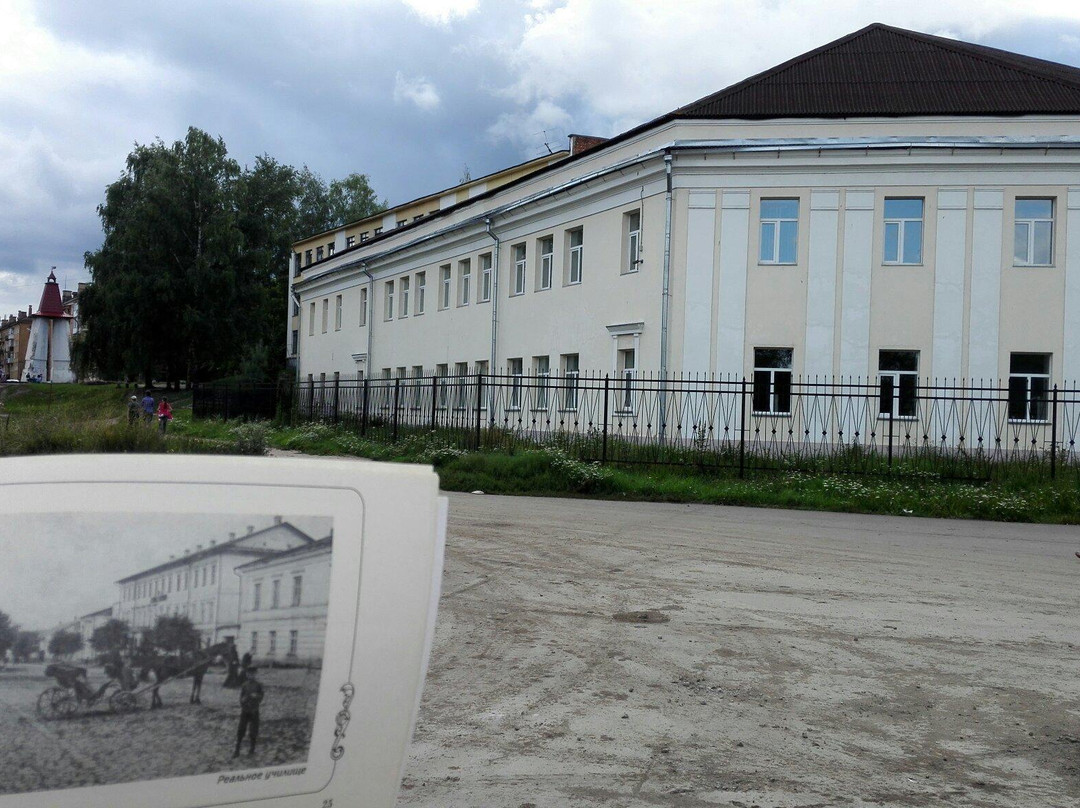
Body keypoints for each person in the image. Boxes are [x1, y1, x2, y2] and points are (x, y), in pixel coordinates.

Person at [233, 666, 264, 758]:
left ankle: (252, 749)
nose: (251, 675)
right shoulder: (244, 685)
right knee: (241, 729)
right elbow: (241, 698)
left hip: (254, 710)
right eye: (249, 674)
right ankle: (237, 749)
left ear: (255, 674)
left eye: (253, 674)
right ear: (247, 675)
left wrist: (257, 696)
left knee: (253, 730)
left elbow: (261, 696)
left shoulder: (259, 685)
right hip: (245, 711)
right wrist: (243, 700)